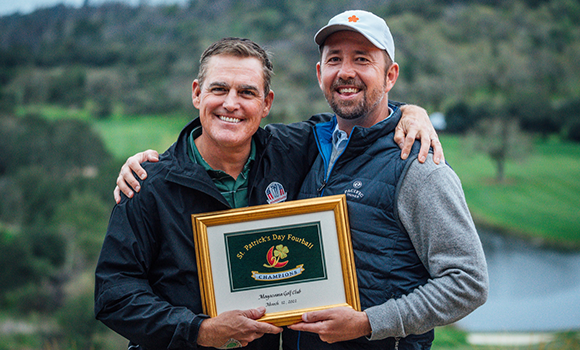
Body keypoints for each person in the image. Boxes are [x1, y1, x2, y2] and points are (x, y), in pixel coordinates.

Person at [117, 10, 489, 350]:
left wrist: (368, 323)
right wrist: (154, 164)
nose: (346, 71)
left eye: (362, 59)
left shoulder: (419, 163)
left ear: (390, 75)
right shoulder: (307, 145)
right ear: (319, 73)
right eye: (334, 59)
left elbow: (468, 283)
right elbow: (225, 134)